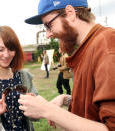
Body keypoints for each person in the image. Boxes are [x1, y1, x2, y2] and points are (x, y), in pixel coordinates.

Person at [18, 0, 115, 130]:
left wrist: (48, 110)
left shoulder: (106, 46)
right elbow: (94, 106)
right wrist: (65, 99)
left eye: (49, 25)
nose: (48, 34)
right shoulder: (88, 47)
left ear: (70, 13)